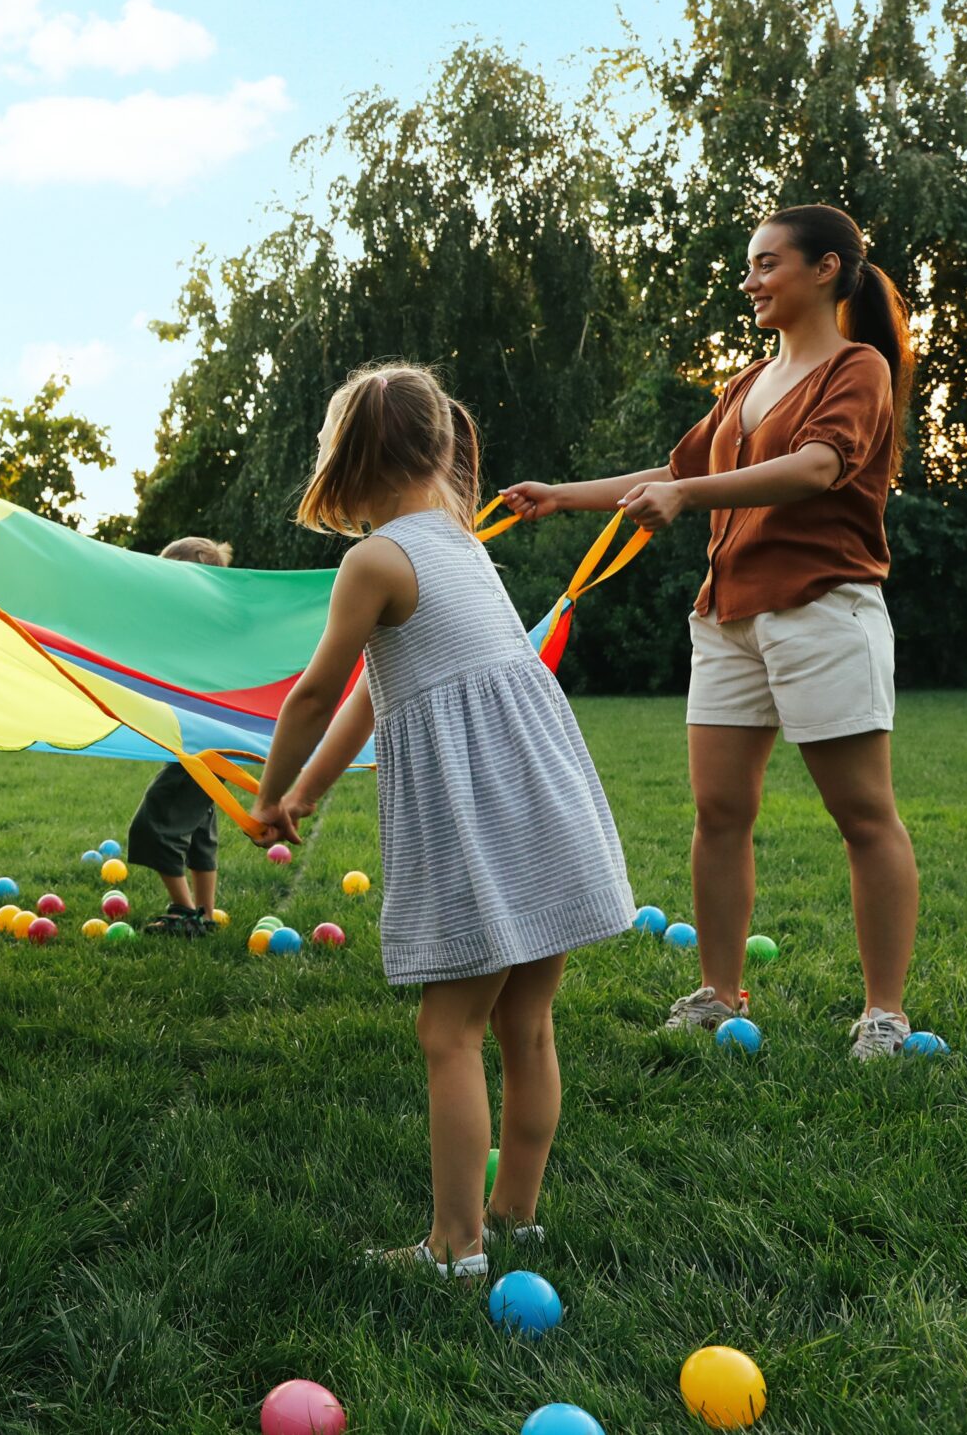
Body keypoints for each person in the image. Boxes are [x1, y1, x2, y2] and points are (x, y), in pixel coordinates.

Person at [502, 203, 921, 1059]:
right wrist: (562, 493)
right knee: (719, 811)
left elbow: (818, 466)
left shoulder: (859, 367)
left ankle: (883, 1012)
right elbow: (680, 471)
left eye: (768, 263)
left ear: (827, 268)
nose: (750, 279)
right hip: (727, 615)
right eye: (750, 265)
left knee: (862, 813)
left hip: (822, 606)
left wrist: (689, 498)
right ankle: (717, 990)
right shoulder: (745, 384)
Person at [255, 365, 634, 1278]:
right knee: (528, 1025)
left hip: (482, 820)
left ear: (343, 462)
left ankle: (455, 1247)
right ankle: (517, 1215)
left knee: (449, 1033)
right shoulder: (461, 547)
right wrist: (313, 790)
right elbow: (381, 691)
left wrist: (271, 789)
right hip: (547, 806)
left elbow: (313, 693)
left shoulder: (375, 560)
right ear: (439, 447)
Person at [131, 535, 241, 937]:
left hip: (203, 747)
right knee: (198, 829)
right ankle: (206, 914)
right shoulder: (206, 627)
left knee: (153, 822)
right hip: (206, 744)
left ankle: (184, 909)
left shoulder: (201, 628)